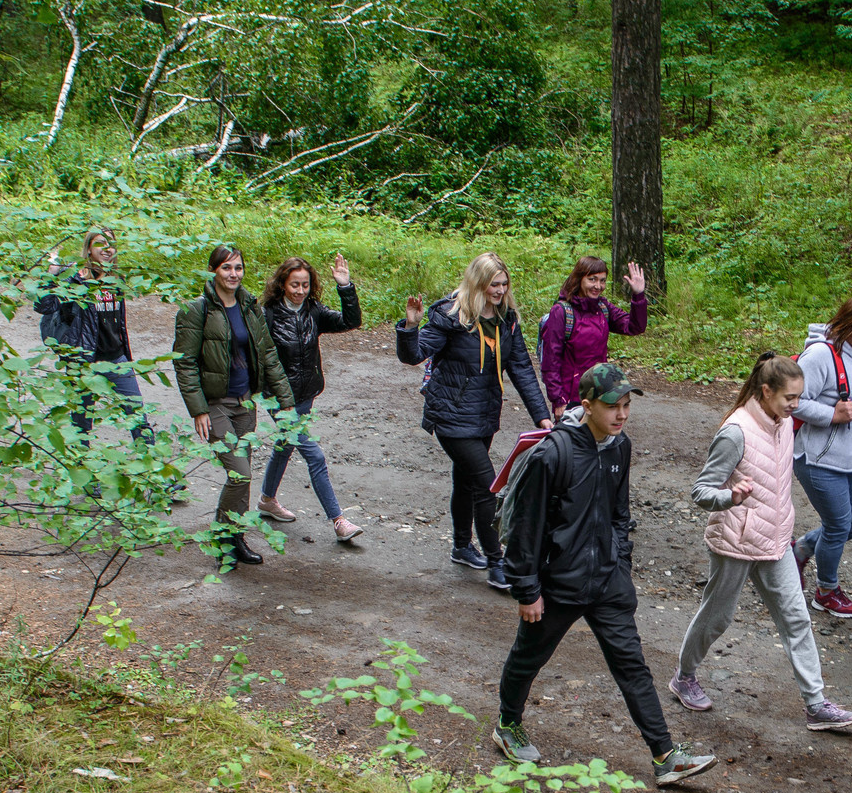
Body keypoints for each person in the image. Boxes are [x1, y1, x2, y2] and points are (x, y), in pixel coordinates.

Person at [494, 361, 716, 787]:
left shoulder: (620, 447)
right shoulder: (552, 454)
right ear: (588, 404)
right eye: (613, 405)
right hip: (558, 583)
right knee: (529, 657)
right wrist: (526, 590)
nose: (622, 414)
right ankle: (507, 724)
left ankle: (665, 756)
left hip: (606, 581)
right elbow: (526, 528)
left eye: (628, 405)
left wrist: (621, 562)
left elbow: (620, 513)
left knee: (632, 665)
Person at [672, 353, 852, 732]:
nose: (796, 404)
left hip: (775, 541)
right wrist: (730, 498)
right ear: (765, 391)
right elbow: (700, 491)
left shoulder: (784, 422)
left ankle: (816, 704)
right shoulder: (736, 431)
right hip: (735, 543)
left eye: (798, 397)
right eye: (790, 397)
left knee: (797, 618)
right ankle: (684, 677)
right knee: (717, 618)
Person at [397, 251, 554, 591]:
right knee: (487, 486)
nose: (499, 291)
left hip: (484, 415)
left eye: (503, 284)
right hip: (451, 416)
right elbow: (413, 355)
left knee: (466, 481)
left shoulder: (506, 318)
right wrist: (411, 326)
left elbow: (522, 369)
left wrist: (541, 417)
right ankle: (498, 563)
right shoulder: (451, 315)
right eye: (492, 285)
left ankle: (460, 546)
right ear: (477, 283)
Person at [173, 245, 293, 568]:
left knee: (244, 476)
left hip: (245, 404)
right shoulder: (195, 310)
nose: (233, 274)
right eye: (226, 268)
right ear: (213, 270)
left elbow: (268, 355)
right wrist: (197, 408)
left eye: (238, 268)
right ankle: (220, 534)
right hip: (215, 406)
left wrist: (287, 404)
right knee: (238, 474)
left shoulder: (249, 307)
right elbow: (184, 364)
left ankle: (235, 538)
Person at [791, 293, 852, 618]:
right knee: (837, 526)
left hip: (851, 462)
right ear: (851, 323)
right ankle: (826, 593)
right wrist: (832, 414)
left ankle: (800, 549)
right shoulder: (819, 354)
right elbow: (793, 401)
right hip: (818, 459)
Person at [259, 252, 364, 544]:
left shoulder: (313, 311)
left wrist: (345, 287)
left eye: (305, 285)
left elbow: (349, 322)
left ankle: (267, 500)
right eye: (295, 285)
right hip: (279, 399)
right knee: (314, 455)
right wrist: (275, 396)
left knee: (284, 447)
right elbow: (261, 360)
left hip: (306, 394)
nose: (300, 291)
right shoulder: (267, 314)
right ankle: (339, 520)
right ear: (282, 284)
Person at [37, 228, 154, 444]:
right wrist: (52, 273)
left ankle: (153, 471)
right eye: (100, 243)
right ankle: (82, 471)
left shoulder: (116, 280)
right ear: (89, 249)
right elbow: (43, 305)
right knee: (81, 424)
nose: (107, 248)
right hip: (84, 362)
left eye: (111, 243)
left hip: (116, 359)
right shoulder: (76, 280)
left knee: (138, 418)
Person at [538, 254, 648, 412]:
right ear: (579, 279)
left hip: (600, 395)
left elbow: (634, 327)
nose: (598, 286)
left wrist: (638, 295)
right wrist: (559, 400)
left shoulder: (603, 308)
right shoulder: (562, 312)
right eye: (592, 279)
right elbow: (551, 362)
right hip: (571, 400)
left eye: (602, 280)